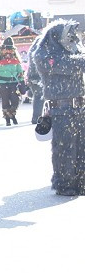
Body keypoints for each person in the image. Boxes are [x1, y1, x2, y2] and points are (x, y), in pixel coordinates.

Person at [31, 21, 85, 196]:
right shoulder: (43, 55)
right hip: (61, 108)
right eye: (68, 35)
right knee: (65, 147)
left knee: (81, 146)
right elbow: (71, 65)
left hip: (80, 106)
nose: (71, 39)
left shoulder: (71, 52)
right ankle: (64, 183)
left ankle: (81, 181)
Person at [0, 37, 25, 126]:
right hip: (2, 83)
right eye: (6, 48)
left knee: (15, 100)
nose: (8, 51)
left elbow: (20, 72)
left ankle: (12, 115)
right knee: (5, 101)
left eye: (10, 48)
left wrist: (22, 82)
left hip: (13, 83)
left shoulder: (16, 60)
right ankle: (8, 118)